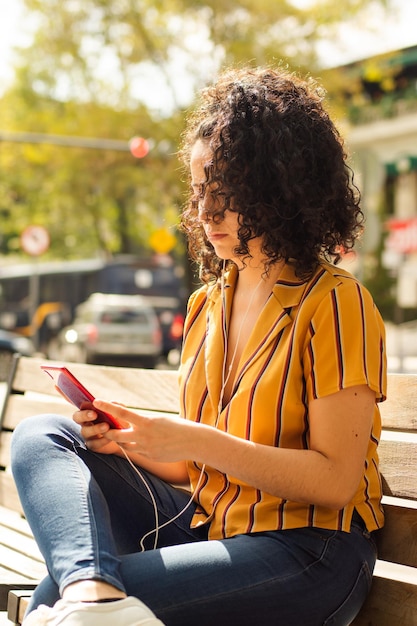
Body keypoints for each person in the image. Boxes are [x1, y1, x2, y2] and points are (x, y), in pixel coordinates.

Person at [11, 65, 386, 626]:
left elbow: (334, 482)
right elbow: (197, 467)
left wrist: (191, 438)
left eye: (228, 192)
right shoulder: (207, 304)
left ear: (284, 189)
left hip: (310, 550)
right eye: (200, 191)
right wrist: (133, 442)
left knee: (48, 604)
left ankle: (92, 603)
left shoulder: (335, 302)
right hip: (206, 523)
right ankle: (93, 593)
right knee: (45, 434)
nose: (208, 212)